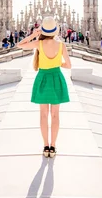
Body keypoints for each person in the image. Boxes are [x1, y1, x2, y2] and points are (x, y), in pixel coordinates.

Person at [16, 16, 71, 158]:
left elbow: (20, 45)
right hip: (57, 78)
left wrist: (34, 35)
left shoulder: (39, 44)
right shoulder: (61, 45)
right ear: (55, 31)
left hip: (42, 79)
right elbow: (69, 65)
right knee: (55, 115)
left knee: (43, 115)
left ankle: (45, 146)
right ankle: (53, 146)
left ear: (43, 30)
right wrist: (58, 63)